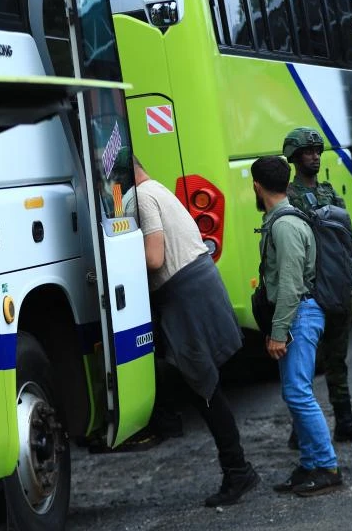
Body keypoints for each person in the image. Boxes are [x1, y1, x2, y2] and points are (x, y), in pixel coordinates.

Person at [133, 158, 258, 507]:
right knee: (196, 382)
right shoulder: (156, 188)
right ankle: (168, 421)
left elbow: (155, 259)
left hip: (185, 295)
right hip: (194, 288)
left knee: (206, 389)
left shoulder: (142, 197)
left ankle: (238, 471)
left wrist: (113, 261)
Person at [251, 156, 343, 497]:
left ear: (257, 186)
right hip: (298, 313)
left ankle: (327, 466)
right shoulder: (281, 219)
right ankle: (309, 464)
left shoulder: (284, 226)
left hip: (300, 315)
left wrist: (278, 333)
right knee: (295, 392)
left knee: (299, 393)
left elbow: (290, 285)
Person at [281, 127, 352, 446]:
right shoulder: (288, 196)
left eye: (316, 151)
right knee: (304, 364)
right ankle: (302, 428)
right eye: (307, 152)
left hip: (335, 285)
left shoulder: (329, 193)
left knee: (337, 360)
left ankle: (345, 422)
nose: (313, 156)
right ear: (294, 157)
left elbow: (342, 242)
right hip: (308, 292)